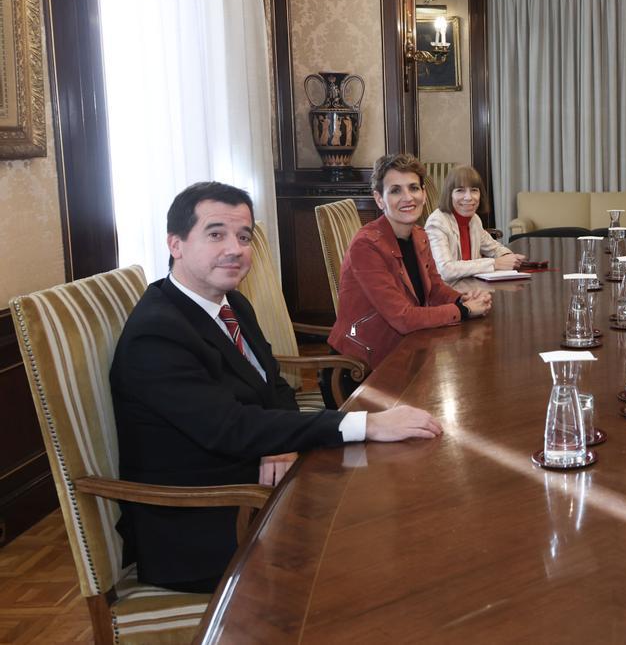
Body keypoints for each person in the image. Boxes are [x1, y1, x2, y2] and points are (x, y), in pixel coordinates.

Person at [110, 182, 443, 593]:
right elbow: (228, 428)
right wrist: (365, 424)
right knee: (374, 545)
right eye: (216, 234)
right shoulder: (157, 334)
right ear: (175, 244)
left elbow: (275, 390)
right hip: (203, 521)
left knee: (397, 509)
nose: (235, 248)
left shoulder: (232, 305)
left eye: (244, 236)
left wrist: (279, 441)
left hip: (256, 480)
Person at [329, 153, 493, 371]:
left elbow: (434, 290)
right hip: (361, 367)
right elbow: (403, 317)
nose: (408, 197)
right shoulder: (366, 246)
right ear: (379, 199)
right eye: (395, 190)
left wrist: (462, 298)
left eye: (414, 188)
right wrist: (463, 311)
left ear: (424, 194)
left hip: (405, 353)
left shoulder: (419, 235)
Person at [424, 165, 525, 282]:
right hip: (447, 293)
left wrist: (507, 257)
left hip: (471, 288)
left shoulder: (474, 219)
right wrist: (495, 263)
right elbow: (445, 270)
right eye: (460, 190)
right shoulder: (437, 223)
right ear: (449, 194)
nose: (469, 197)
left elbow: (493, 248)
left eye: (474, 190)